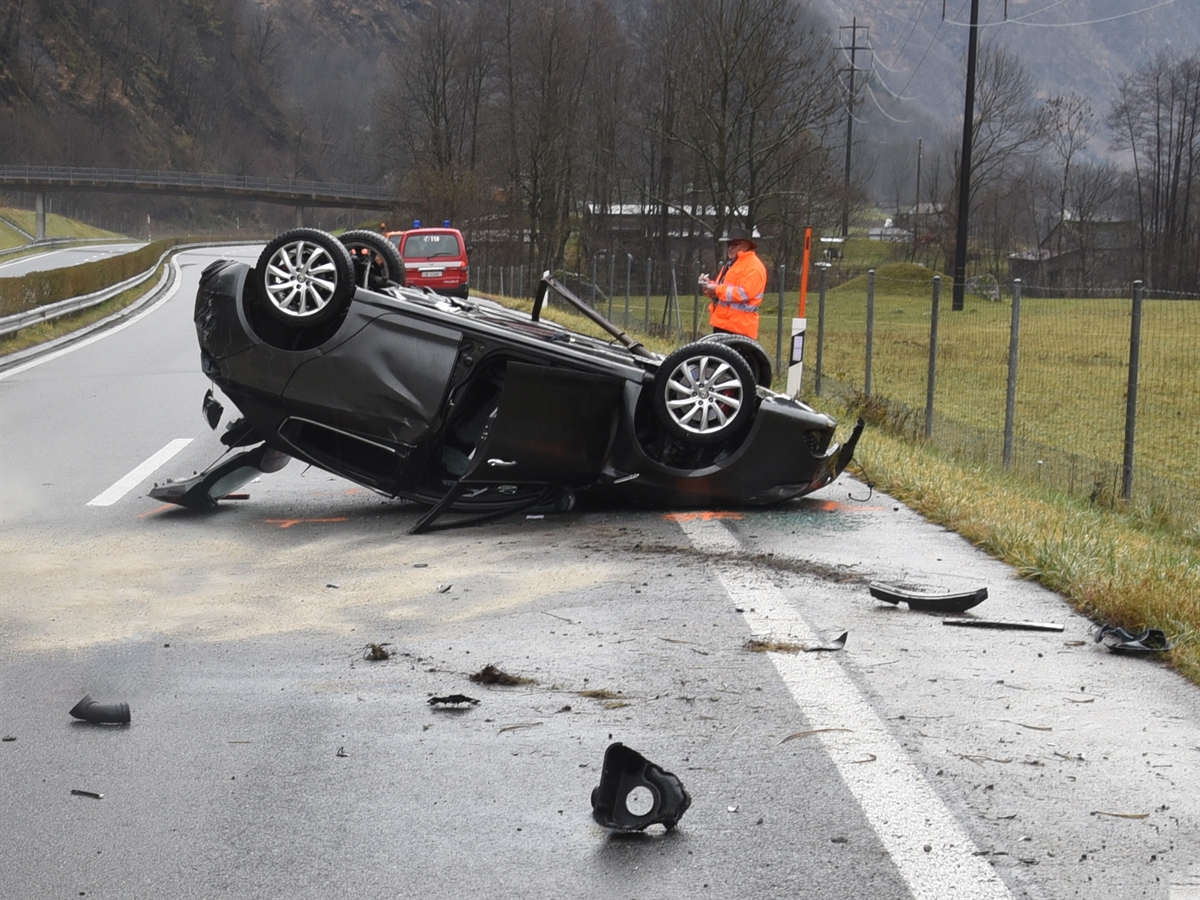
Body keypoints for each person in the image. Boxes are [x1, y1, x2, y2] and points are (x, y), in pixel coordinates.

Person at [699, 226, 767, 340]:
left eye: (734, 244)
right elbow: (721, 290)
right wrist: (708, 285)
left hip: (740, 329)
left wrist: (715, 289)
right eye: (728, 244)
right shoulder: (731, 265)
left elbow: (743, 294)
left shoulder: (754, 267)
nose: (729, 248)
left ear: (745, 246)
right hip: (723, 325)